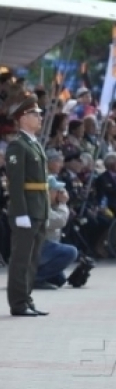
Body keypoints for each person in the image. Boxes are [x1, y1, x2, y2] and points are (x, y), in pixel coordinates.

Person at [5, 91, 51, 317]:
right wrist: (20, 212)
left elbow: (41, 183)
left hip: (38, 208)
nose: (40, 118)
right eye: (36, 114)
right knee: (21, 258)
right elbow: (16, 184)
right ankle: (18, 303)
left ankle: (27, 297)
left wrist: (46, 209)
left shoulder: (35, 144)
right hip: (26, 210)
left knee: (33, 259)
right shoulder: (18, 146)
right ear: (23, 117)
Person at [35, 175, 78, 289]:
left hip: (42, 249)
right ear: (48, 192)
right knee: (71, 252)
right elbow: (60, 221)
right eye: (56, 191)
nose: (60, 193)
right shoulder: (39, 206)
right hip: (35, 250)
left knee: (59, 280)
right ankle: (34, 280)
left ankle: (37, 277)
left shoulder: (48, 206)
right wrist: (63, 204)